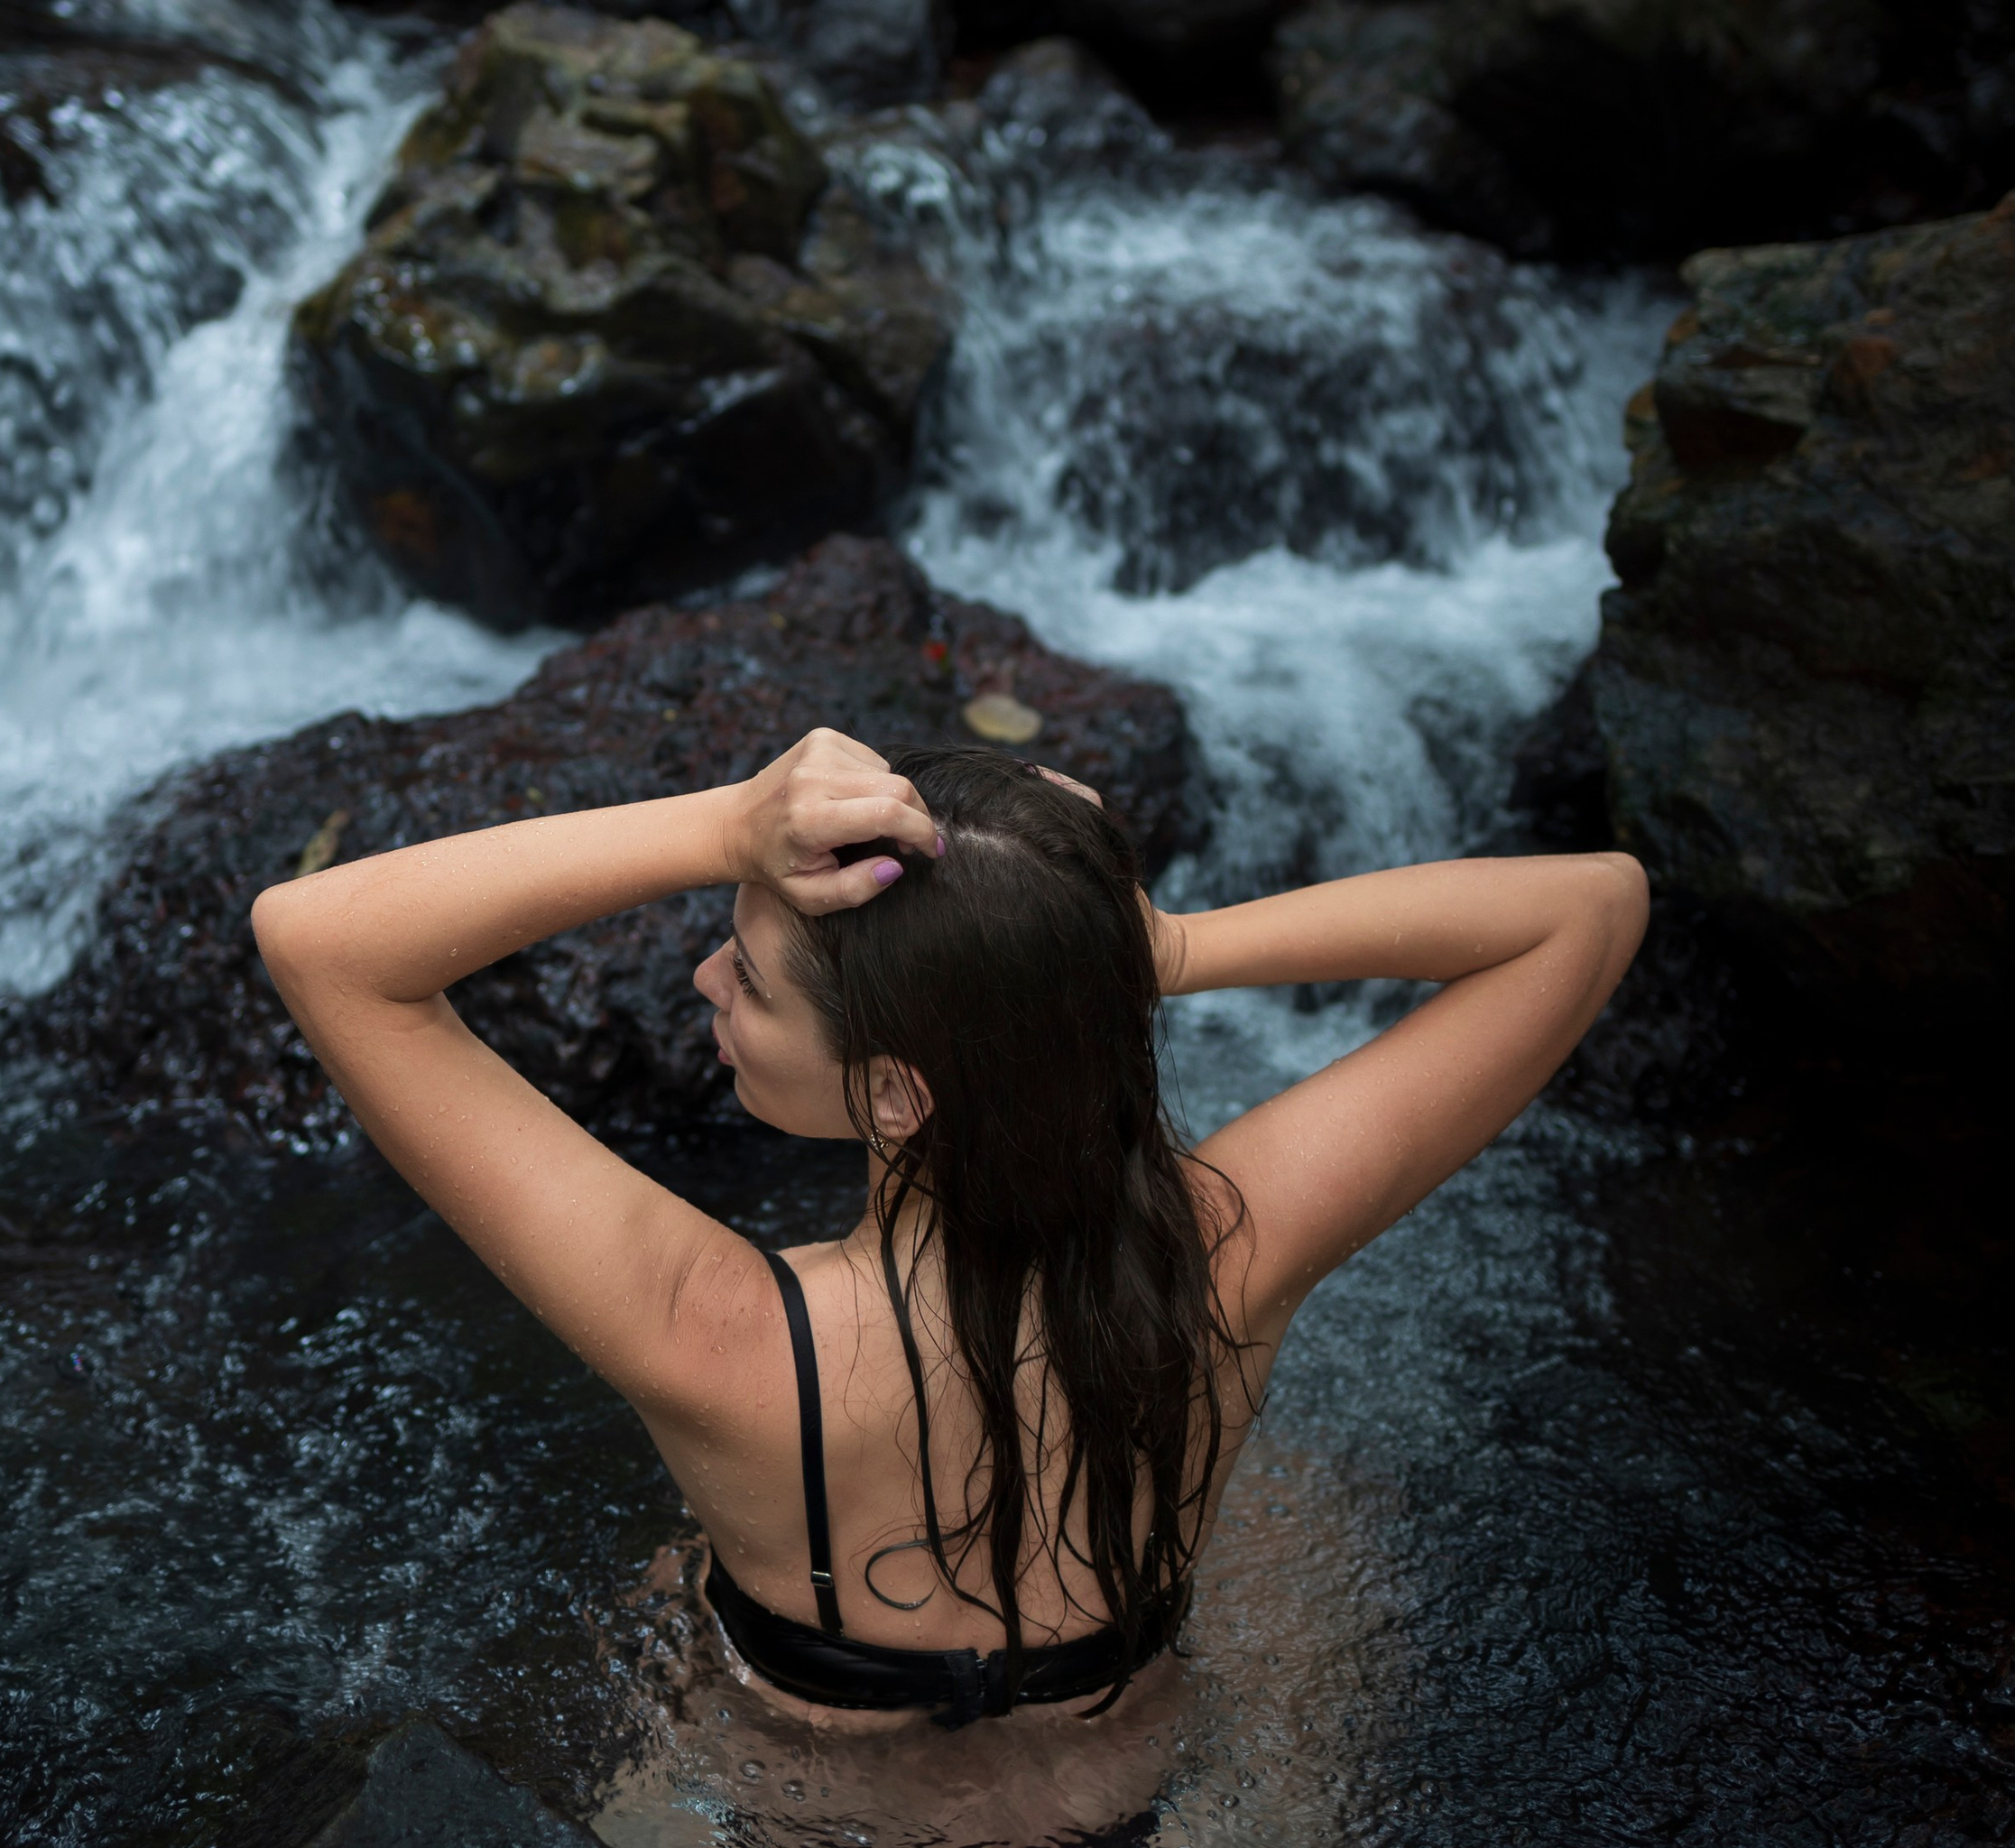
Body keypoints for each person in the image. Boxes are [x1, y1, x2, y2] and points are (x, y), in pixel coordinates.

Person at [252, 726, 1647, 1733]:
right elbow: (1587, 909)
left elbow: (323, 946)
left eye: (750, 976)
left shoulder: (717, 1335)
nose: (706, 977)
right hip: (1143, 1832)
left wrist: (726, 825)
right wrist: (1150, 950)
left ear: (895, 1096)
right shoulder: (1228, 1253)